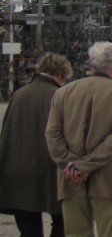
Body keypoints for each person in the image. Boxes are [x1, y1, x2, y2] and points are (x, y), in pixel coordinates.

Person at [46, 41, 112, 237]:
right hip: (109, 181)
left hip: (70, 182)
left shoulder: (62, 93)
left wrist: (69, 166)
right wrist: (83, 166)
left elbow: (52, 135)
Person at [0, 53, 72, 237]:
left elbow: (7, 134)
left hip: (18, 172)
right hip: (52, 171)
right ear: (61, 73)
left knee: (29, 229)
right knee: (63, 223)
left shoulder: (19, 95)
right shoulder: (60, 96)